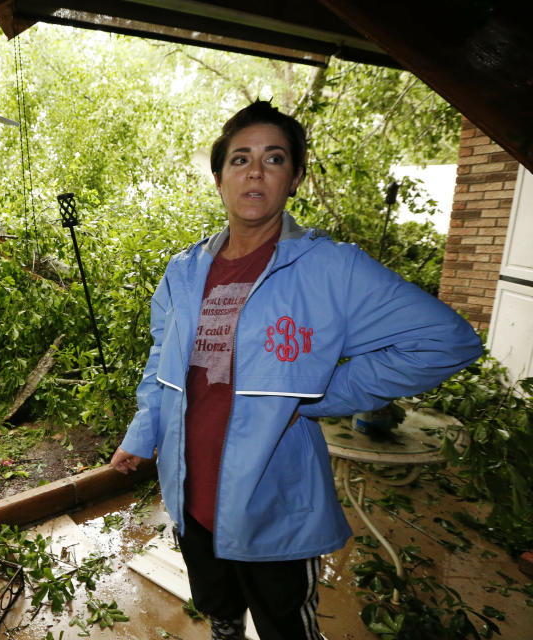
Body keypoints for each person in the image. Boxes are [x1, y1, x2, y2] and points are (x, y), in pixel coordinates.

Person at [110, 100, 483, 640]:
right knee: (218, 607)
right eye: (239, 159)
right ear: (219, 178)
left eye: (274, 157)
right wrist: (141, 434)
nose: (255, 171)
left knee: (287, 625)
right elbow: (161, 363)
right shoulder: (184, 271)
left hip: (274, 496)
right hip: (191, 485)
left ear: (295, 177)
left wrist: (318, 396)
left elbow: (447, 342)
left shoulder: (332, 268)